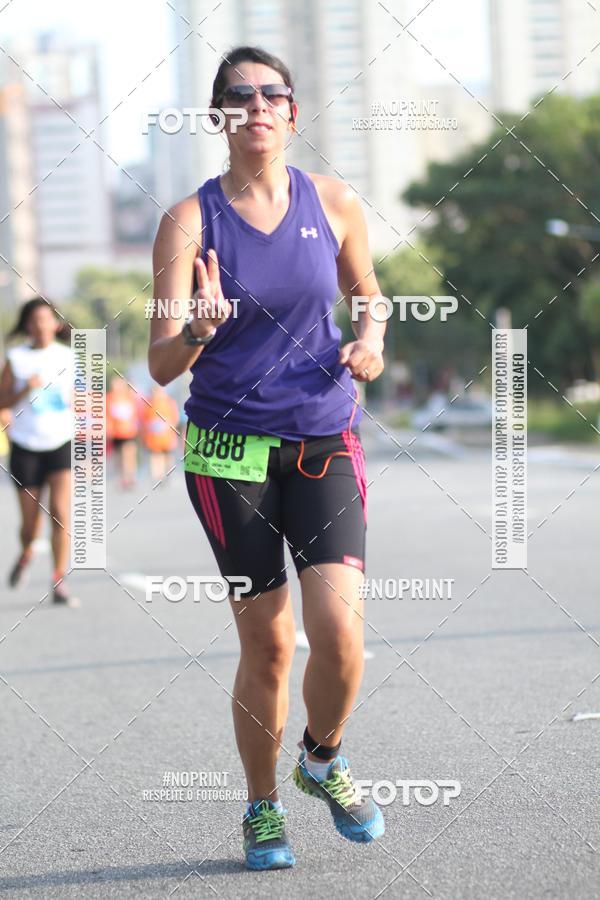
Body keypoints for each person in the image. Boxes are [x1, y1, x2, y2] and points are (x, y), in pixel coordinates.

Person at [149, 46, 387, 871]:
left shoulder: (337, 202)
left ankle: (323, 758)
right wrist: (199, 329)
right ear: (219, 116)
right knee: (272, 645)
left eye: (271, 94)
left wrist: (370, 340)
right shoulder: (188, 221)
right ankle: (261, 808)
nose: (257, 106)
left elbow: (371, 295)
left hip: (325, 438)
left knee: (341, 637)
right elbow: (159, 361)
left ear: (292, 111)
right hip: (227, 454)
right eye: (239, 96)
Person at [0, 297, 77, 606]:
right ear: (27, 325)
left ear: (56, 324)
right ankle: (27, 549)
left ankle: (58, 578)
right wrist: (24, 389)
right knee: (31, 525)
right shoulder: (16, 358)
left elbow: (83, 396)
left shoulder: (69, 356)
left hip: (60, 441)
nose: (40, 325)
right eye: (34, 320)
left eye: (46, 319)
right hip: (25, 446)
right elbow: (1, 401)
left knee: (60, 512)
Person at [140, 385, 179, 481]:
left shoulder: (169, 402)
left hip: (167, 435)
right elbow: (144, 419)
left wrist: (169, 426)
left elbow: (174, 417)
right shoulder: (149, 403)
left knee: (167, 455)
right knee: (156, 455)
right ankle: (158, 476)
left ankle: (168, 474)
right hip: (154, 436)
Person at [106, 376, 140, 488]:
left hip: (129, 432)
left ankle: (130, 476)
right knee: (119, 456)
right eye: (115, 384)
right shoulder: (109, 398)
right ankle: (122, 477)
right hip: (116, 433)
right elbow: (107, 416)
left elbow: (137, 407)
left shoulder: (129, 396)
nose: (117, 386)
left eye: (119, 384)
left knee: (129, 454)